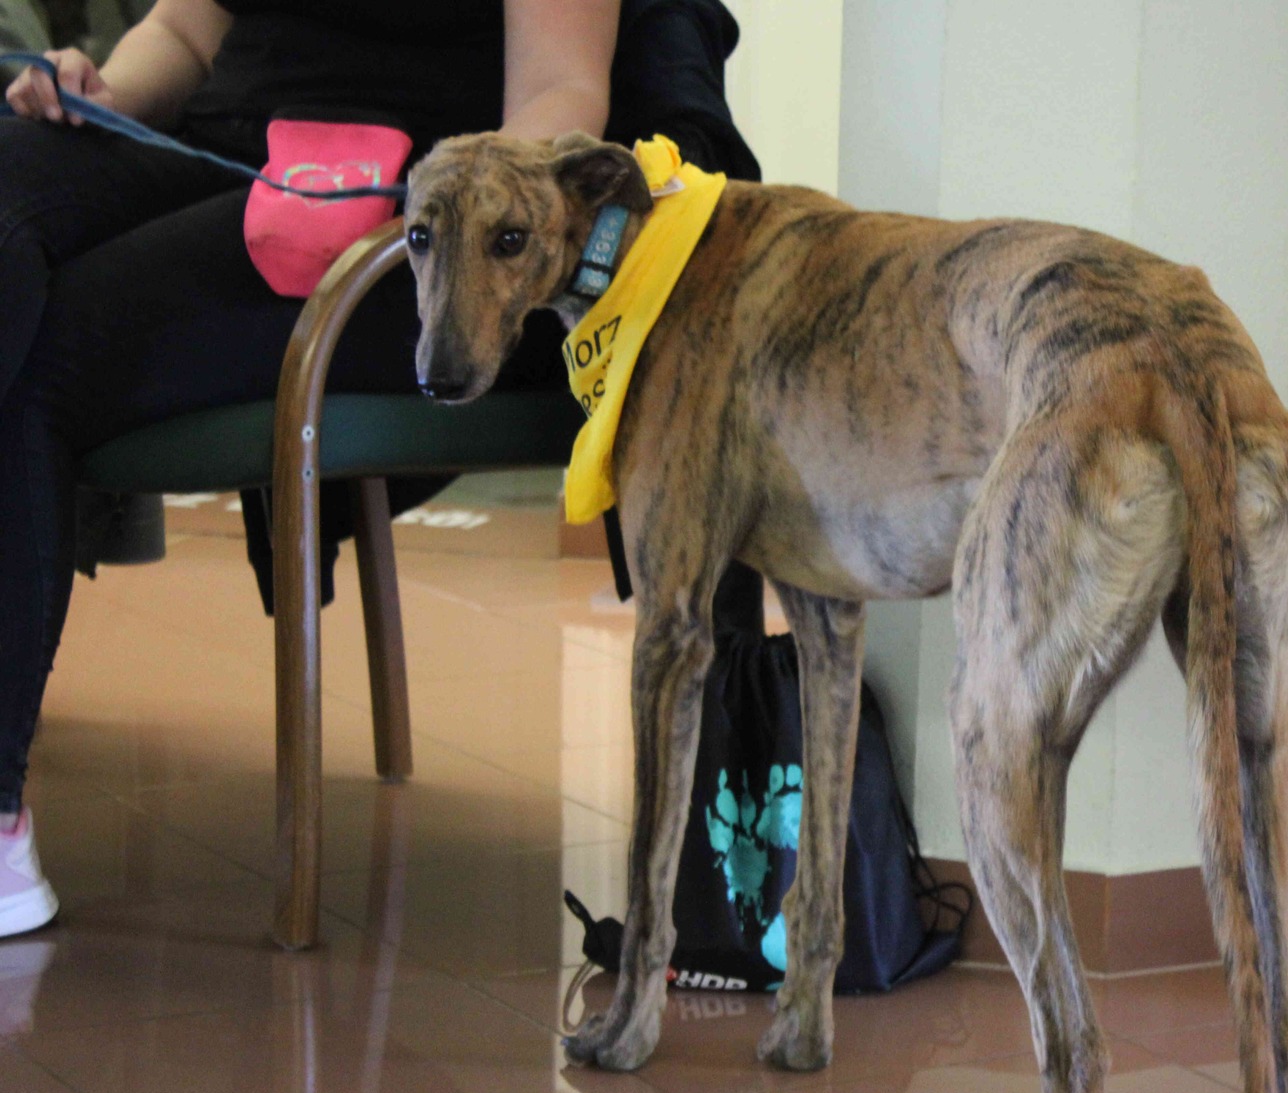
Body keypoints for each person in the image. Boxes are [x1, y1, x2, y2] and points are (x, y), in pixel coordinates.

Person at [0, 0, 760, 938]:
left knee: (51, 355)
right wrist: (105, 89)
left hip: (414, 209)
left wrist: (451, 204)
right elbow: (188, 31)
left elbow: (561, 87)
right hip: (232, 148)